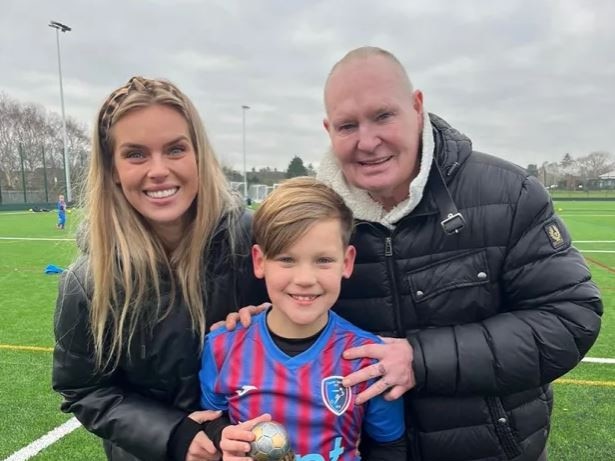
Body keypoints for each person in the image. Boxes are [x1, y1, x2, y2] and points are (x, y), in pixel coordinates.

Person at [226, 47, 603, 461]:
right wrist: (250, 319)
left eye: (383, 116)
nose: (367, 142)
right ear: (328, 129)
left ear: (417, 106)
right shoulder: (313, 220)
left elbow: (569, 318)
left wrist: (419, 359)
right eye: (347, 125)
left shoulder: (508, 194)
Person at [52, 76, 267, 461]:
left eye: (175, 149)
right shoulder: (85, 283)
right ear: (113, 169)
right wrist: (175, 435)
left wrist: (278, 316)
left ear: (198, 154)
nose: (158, 170)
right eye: (136, 154)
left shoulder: (251, 241)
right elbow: (84, 390)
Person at [199, 177, 406, 460]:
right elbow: (210, 420)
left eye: (323, 260)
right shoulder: (222, 346)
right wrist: (222, 438)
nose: (305, 279)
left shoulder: (368, 359)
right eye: (286, 259)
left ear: (346, 262)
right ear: (260, 262)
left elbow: (390, 446)